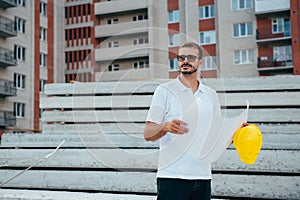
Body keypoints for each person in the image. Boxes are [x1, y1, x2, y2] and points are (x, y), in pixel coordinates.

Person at [144, 42, 222, 200]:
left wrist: (238, 131)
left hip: (203, 178)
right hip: (172, 177)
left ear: (201, 62)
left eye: (191, 57)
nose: (185, 61)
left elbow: (216, 133)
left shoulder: (211, 95)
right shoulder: (164, 91)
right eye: (181, 57)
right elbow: (147, 133)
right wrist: (165, 126)